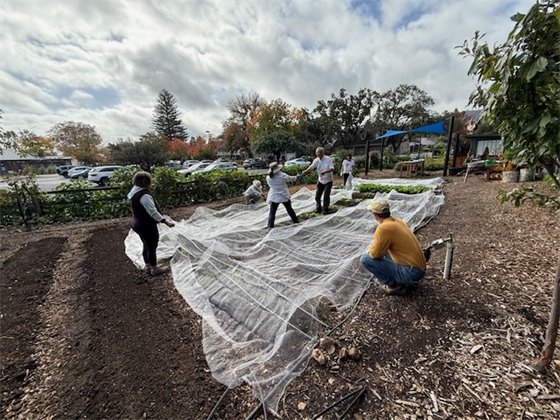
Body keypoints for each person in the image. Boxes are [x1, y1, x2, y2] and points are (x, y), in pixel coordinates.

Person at [359, 199, 426, 295]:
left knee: (365, 259)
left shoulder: (384, 227)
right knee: (381, 253)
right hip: (418, 269)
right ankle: (402, 281)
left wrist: (371, 249)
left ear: (375, 214)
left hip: (411, 273)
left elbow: (374, 254)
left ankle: (393, 286)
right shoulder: (397, 221)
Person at [127, 171, 175, 276]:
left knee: (146, 244)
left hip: (137, 223)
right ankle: (154, 268)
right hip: (146, 225)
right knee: (152, 246)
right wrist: (165, 221)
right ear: (147, 182)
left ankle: (148, 265)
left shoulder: (134, 192)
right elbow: (152, 212)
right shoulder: (144, 195)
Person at [266, 162, 300, 228]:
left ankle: (270, 226)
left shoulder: (268, 178)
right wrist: (297, 176)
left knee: (272, 213)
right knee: (290, 210)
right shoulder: (282, 175)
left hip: (274, 197)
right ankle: (296, 221)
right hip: (284, 196)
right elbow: (291, 178)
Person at [301, 147, 334, 214]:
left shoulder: (328, 159)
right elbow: (311, 167)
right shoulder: (316, 160)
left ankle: (325, 209)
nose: (317, 154)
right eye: (317, 153)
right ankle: (318, 208)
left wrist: (325, 172)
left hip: (328, 180)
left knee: (326, 196)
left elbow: (332, 168)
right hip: (321, 180)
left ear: (322, 153)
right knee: (317, 196)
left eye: (319, 153)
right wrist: (306, 171)